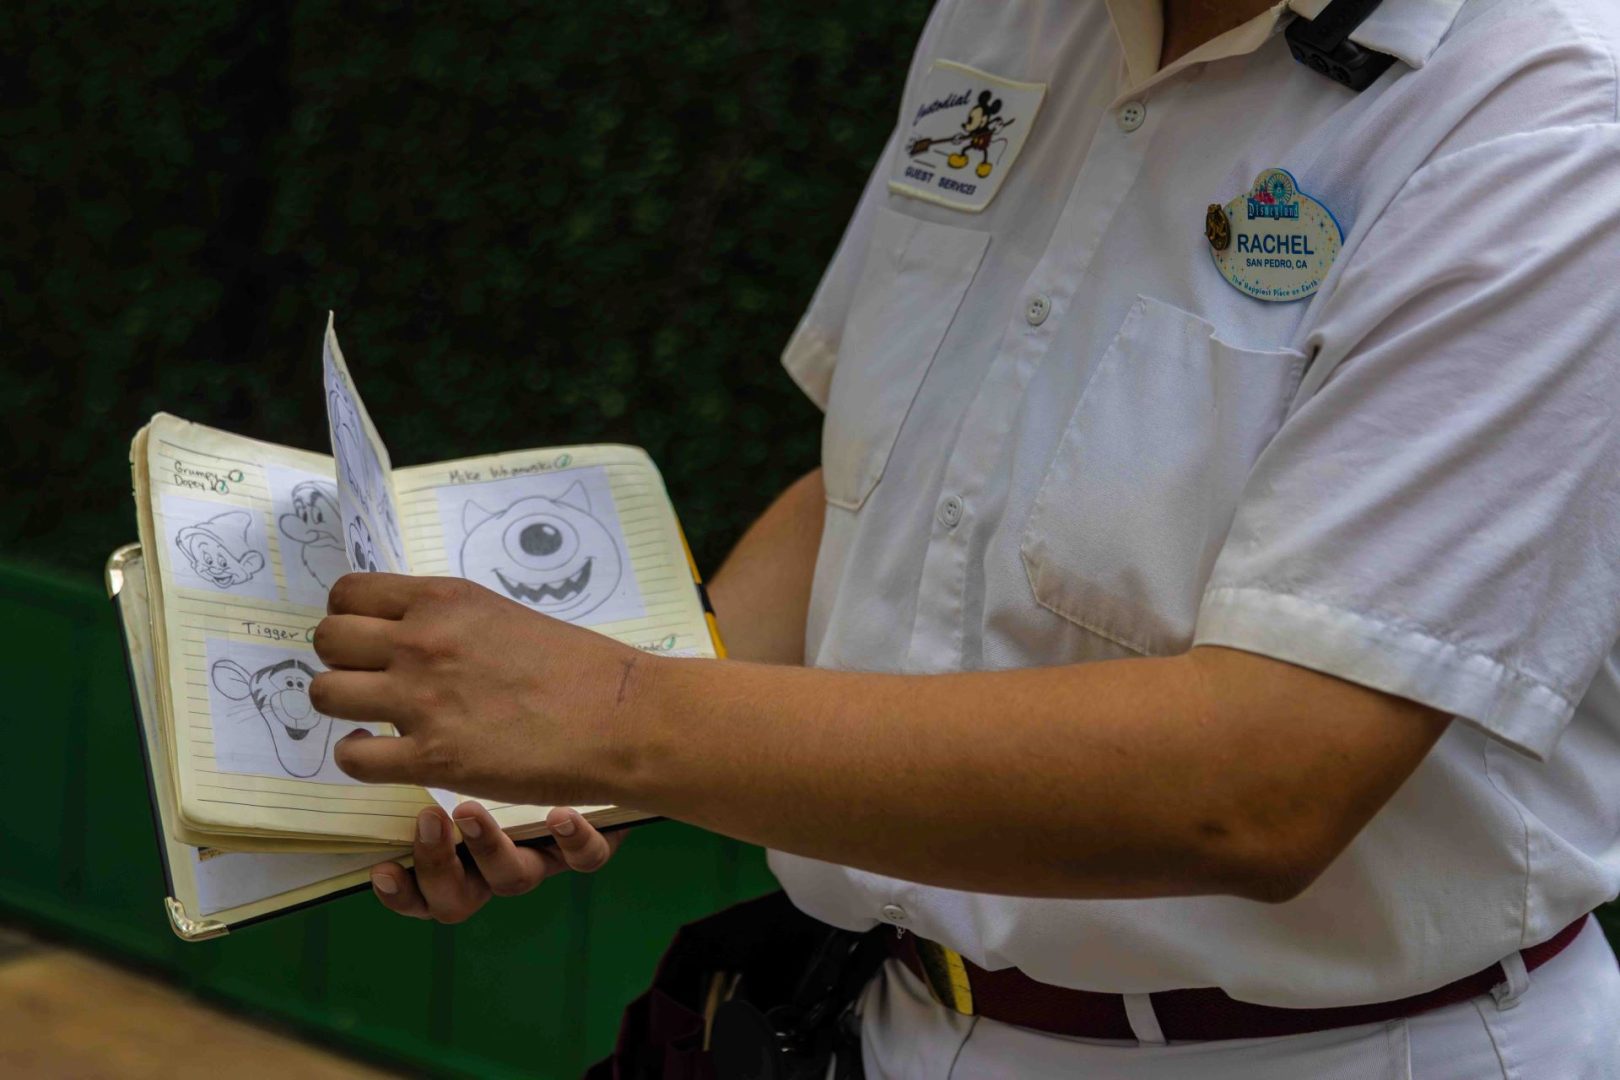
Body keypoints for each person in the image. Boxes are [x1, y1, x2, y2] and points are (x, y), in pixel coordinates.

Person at [310, 0, 1620, 1075]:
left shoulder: (1552, 121)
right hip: (876, 1015)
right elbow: (875, 488)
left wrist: (610, 712)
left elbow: (1260, 782)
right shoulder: (1012, 17)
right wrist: (536, 763)